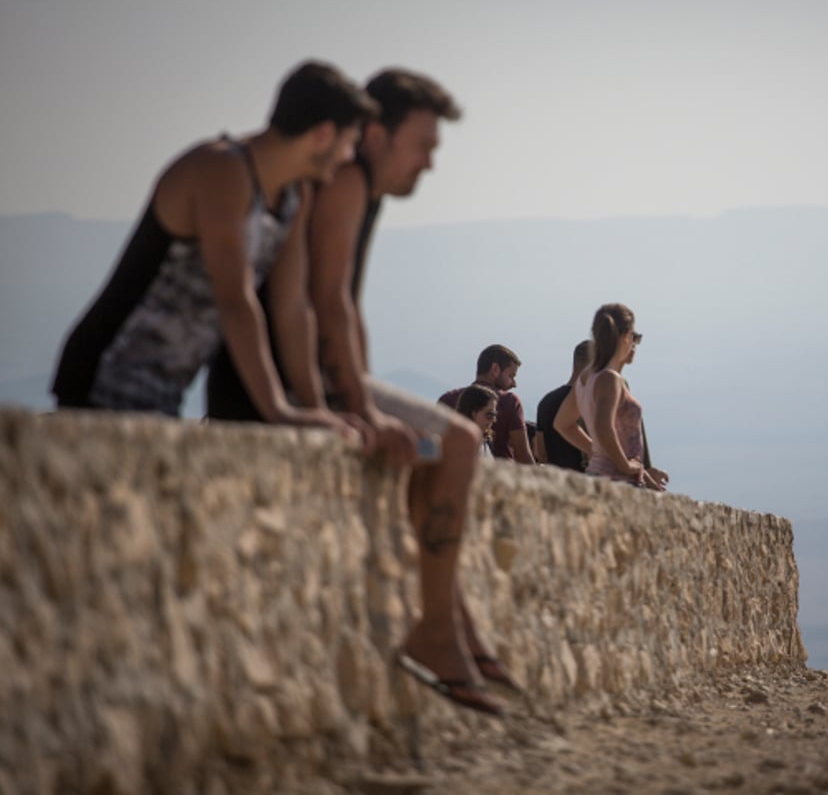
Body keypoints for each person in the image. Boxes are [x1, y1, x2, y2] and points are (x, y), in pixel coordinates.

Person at [206, 67, 513, 715]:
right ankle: (439, 632)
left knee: (446, 448)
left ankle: (451, 626)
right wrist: (359, 404)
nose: (429, 165)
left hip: (313, 379)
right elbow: (328, 302)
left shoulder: (354, 182)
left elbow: (340, 307)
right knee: (458, 440)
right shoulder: (348, 179)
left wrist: (361, 394)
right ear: (377, 133)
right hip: (289, 383)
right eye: (423, 146)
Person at [52, 61, 374, 435]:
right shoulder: (221, 169)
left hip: (167, 387)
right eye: (350, 142)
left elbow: (292, 307)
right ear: (322, 135)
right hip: (107, 375)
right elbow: (234, 298)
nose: (350, 157)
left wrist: (316, 411)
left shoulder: (294, 195)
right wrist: (278, 411)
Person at [554, 303, 669, 490]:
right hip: (616, 480)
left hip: (597, 475)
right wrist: (624, 464)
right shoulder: (610, 379)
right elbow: (602, 425)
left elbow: (563, 424)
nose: (635, 344)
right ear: (625, 337)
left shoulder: (585, 379)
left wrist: (597, 452)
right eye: (635, 337)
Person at [439, 345, 535, 464]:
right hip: (499, 477)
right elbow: (522, 453)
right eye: (511, 376)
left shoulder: (447, 399)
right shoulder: (510, 401)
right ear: (495, 369)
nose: (514, 384)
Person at [535, 340, 592, 471]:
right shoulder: (593, 401)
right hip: (588, 482)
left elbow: (541, 454)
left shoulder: (546, 401)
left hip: (557, 481)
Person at [454, 384, 498, 458]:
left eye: (494, 415)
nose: (494, 420)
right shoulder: (454, 444)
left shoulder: (485, 444)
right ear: (473, 412)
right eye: (490, 414)